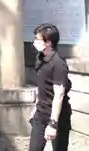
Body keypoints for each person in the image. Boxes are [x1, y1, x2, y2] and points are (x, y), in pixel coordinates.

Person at [29, 23, 71, 151]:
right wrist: (36, 106)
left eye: (38, 39)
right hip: (40, 113)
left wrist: (53, 123)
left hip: (58, 115)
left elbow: (59, 95)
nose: (35, 42)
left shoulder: (58, 64)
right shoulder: (40, 58)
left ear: (48, 42)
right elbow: (41, 86)